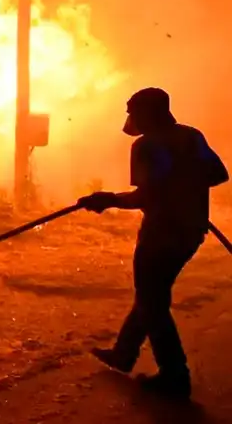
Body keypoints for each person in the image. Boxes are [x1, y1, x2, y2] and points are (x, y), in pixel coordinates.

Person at [78, 87, 228, 399]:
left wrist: (107, 199)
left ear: (149, 113)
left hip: (161, 234)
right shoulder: (191, 136)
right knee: (151, 295)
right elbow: (218, 174)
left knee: (152, 301)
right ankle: (123, 352)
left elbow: (145, 197)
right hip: (191, 231)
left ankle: (175, 374)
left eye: (133, 111)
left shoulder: (146, 146)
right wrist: (185, 184)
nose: (130, 118)